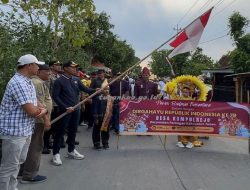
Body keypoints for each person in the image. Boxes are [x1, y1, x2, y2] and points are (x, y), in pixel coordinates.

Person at [0, 54, 47, 190]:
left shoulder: (27, 81)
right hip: (14, 132)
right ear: (29, 66)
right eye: (37, 65)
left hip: (24, 129)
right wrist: (42, 111)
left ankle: (12, 187)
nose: (38, 67)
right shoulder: (18, 83)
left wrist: (40, 108)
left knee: (17, 163)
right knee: (9, 167)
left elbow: (35, 102)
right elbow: (32, 111)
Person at [51, 60, 95, 166]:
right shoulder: (59, 81)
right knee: (60, 132)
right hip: (65, 111)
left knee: (73, 131)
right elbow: (55, 96)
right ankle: (56, 154)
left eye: (75, 67)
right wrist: (65, 107)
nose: (75, 69)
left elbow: (86, 89)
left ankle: (71, 151)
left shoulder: (76, 79)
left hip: (76, 110)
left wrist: (98, 90)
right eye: (72, 67)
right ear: (65, 68)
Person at [19, 64, 52, 184]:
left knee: (29, 146)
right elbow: (40, 105)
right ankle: (29, 175)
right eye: (46, 71)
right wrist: (46, 120)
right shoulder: (37, 83)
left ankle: (22, 171)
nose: (49, 74)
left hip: (37, 119)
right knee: (35, 147)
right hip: (39, 120)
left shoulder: (34, 82)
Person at [43, 60, 62, 154]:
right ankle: (44, 145)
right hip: (51, 104)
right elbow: (47, 92)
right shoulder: (48, 77)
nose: (59, 66)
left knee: (54, 126)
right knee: (47, 125)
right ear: (51, 66)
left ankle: (49, 141)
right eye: (56, 65)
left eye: (59, 65)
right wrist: (48, 105)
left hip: (57, 104)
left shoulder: (59, 77)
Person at [90, 69, 112, 150]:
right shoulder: (94, 81)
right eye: (99, 73)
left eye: (102, 73)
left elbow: (110, 92)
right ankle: (96, 143)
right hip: (97, 104)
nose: (100, 74)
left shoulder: (108, 81)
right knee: (97, 125)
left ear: (104, 74)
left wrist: (107, 93)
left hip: (106, 104)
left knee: (106, 124)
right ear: (97, 74)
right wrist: (100, 92)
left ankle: (105, 142)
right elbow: (90, 92)